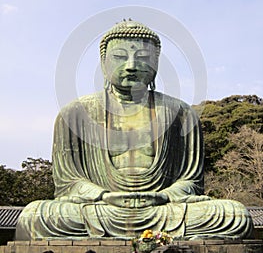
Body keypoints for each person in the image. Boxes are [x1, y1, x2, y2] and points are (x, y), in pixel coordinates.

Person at [16, 20, 253, 240]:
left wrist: (164, 196)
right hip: (100, 209)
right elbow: (69, 183)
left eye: (143, 57)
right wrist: (103, 196)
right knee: (35, 216)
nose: (131, 66)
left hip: (163, 209)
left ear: (156, 63)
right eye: (119, 56)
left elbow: (191, 181)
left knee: (234, 215)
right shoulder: (75, 113)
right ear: (103, 62)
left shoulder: (181, 113)